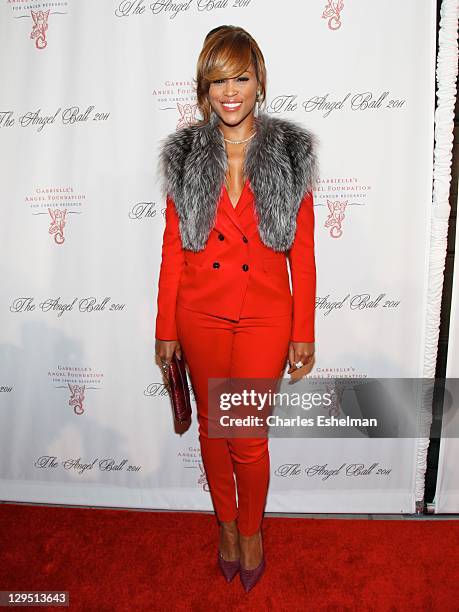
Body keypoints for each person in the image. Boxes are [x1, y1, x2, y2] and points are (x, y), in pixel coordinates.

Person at [154, 25, 318, 592]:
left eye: (241, 77)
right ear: (205, 88)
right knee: (211, 434)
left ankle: (251, 532)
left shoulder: (290, 153)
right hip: (197, 314)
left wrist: (304, 330)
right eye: (219, 79)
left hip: (265, 315)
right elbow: (172, 250)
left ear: (259, 82)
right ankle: (224, 526)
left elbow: (304, 251)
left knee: (245, 433)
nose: (231, 91)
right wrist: (164, 330)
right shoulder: (184, 156)